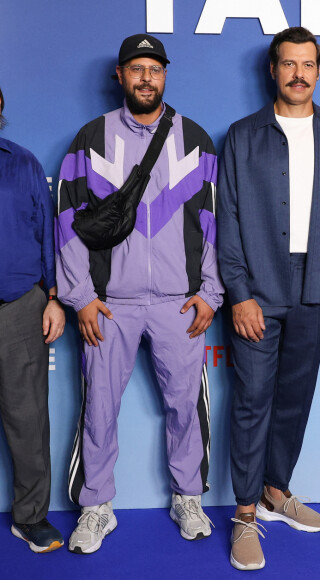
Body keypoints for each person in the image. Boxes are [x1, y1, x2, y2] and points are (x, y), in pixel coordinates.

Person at [55, 34, 223, 553]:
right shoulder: (89, 139)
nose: (146, 77)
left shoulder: (195, 138)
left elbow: (214, 223)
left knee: (184, 407)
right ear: (121, 77)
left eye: (154, 68)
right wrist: (80, 296)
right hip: (111, 304)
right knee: (99, 408)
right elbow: (66, 222)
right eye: (136, 68)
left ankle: (187, 497)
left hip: (179, 302)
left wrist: (212, 293)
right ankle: (96, 506)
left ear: (165, 76)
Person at [218, 27, 320, 570]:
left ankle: (277, 491)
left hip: (317, 284)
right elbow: (227, 220)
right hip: (258, 284)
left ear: (317, 71)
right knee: (254, 400)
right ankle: (246, 515)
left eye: (307, 64)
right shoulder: (241, 135)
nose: (298, 73)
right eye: (288, 64)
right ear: (272, 70)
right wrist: (239, 294)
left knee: (295, 398)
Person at [0, 86, 66, 552]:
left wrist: (56, 298)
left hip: (19, 306)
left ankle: (31, 517)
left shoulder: (23, 164)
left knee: (28, 420)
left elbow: (50, 236)